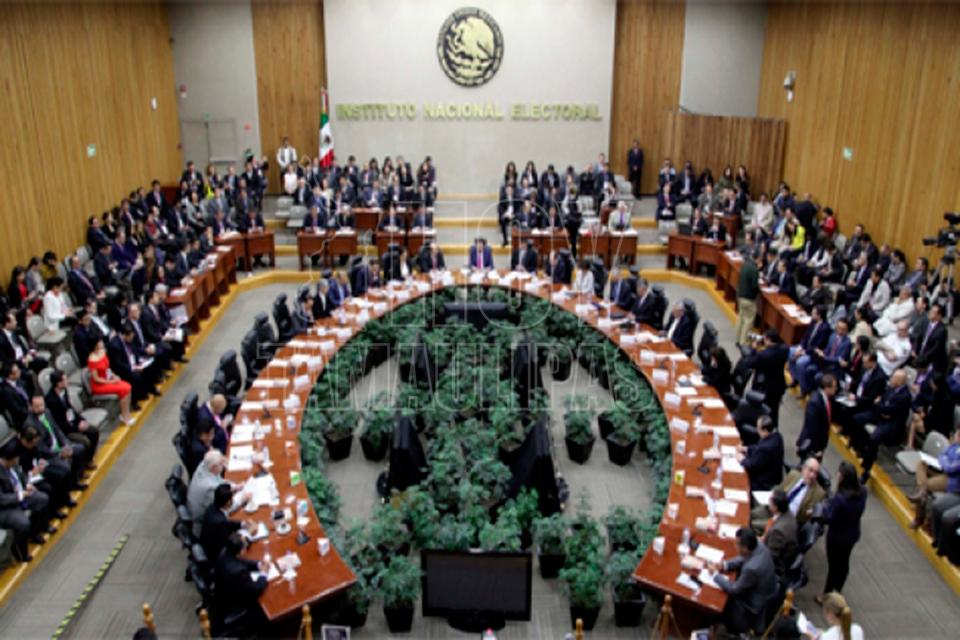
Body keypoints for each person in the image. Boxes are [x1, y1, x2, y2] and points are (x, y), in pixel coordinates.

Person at [710, 527, 779, 634]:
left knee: (718, 599)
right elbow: (743, 558)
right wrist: (725, 565)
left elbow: (734, 589)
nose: (734, 546)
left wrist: (715, 575)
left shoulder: (752, 569)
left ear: (745, 548)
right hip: (768, 589)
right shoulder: (758, 545)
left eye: (737, 544)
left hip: (754, 603)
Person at [818, 461, 867, 597]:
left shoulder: (840, 499)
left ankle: (827, 595)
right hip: (852, 534)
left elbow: (829, 518)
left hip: (837, 537)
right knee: (844, 563)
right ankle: (837, 590)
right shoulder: (862, 491)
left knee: (833, 567)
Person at [0, 438, 52, 563]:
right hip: (5, 508)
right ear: (10, 459)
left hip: (20, 495)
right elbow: (1, 499)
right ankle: (21, 552)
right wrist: (19, 495)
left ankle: (35, 533)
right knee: (23, 523)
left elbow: (20, 476)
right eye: (16, 459)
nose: (17, 460)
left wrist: (26, 485)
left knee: (42, 499)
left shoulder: (12, 465)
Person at [858, 368, 912, 482]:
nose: (891, 379)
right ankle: (862, 448)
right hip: (881, 415)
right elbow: (881, 400)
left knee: (874, 438)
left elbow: (890, 410)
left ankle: (866, 469)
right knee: (859, 418)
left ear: (899, 381)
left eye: (893, 378)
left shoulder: (905, 396)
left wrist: (880, 406)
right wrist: (880, 407)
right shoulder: (891, 388)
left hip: (893, 423)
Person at [213, 532, 268, 632]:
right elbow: (256, 590)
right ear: (240, 552)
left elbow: (240, 560)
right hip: (235, 605)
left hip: (221, 594)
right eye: (244, 547)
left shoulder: (225, 551)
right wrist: (264, 574)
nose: (246, 548)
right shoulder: (238, 571)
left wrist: (258, 565)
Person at [753, 458, 826, 529]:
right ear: (804, 468)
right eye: (810, 470)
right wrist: (772, 494)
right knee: (749, 514)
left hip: (784, 522)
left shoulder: (819, 493)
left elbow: (805, 517)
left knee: (752, 524)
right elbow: (779, 489)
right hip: (773, 508)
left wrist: (810, 512)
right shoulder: (793, 475)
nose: (812, 475)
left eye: (816, 473)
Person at [909, 427, 960, 528]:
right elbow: (942, 454)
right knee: (921, 464)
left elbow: (950, 469)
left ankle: (919, 516)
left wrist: (945, 461)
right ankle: (922, 494)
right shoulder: (954, 446)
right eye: (958, 434)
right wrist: (946, 461)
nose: (956, 437)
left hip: (952, 480)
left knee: (925, 485)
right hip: (941, 470)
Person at [44, 370, 99, 462]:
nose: (67, 381)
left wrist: (81, 420)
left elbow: (70, 408)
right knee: (85, 441)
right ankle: (85, 462)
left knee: (94, 431)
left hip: (73, 423)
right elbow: (59, 423)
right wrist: (77, 428)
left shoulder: (64, 391)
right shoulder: (51, 400)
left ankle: (90, 457)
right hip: (66, 430)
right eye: (65, 380)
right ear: (58, 383)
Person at [87, 337, 135, 422]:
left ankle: (126, 412)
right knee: (124, 389)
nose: (102, 343)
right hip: (100, 384)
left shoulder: (103, 352)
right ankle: (124, 415)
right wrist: (111, 381)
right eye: (100, 342)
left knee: (128, 386)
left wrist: (114, 376)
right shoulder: (92, 359)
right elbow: (96, 378)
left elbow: (107, 368)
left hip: (109, 379)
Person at [200, 483, 246, 561]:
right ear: (228, 502)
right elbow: (231, 543)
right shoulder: (220, 522)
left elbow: (227, 524)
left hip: (208, 544)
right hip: (216, 556)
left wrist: (242, 524)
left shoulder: (212, 507)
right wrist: (246, 537)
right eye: (232, 498)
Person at [738, 415, 784, 491]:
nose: (757, 430)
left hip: (762, 482)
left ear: (765, 431)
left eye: (758, 428)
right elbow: (758, 447)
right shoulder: (777, 436)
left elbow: (751, 465)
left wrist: (742, 459)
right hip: (771, 474)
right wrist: (747, 448)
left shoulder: (765, 449)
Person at [762, 488, 798, 578]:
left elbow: (770, 557)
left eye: (770, 502)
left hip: (775, 567)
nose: (768, 503)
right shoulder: (788, 513)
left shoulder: (778, 531)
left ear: (775, 507)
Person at [736, 252, 760, 346]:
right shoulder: (754, 269)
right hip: (748, 299)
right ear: (758, 259)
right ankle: (744, 342)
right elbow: (754, 286)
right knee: (748, 320)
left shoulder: (745, 265)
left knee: (741, 318)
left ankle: (738, 339)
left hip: (740, 296)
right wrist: (759, 291)